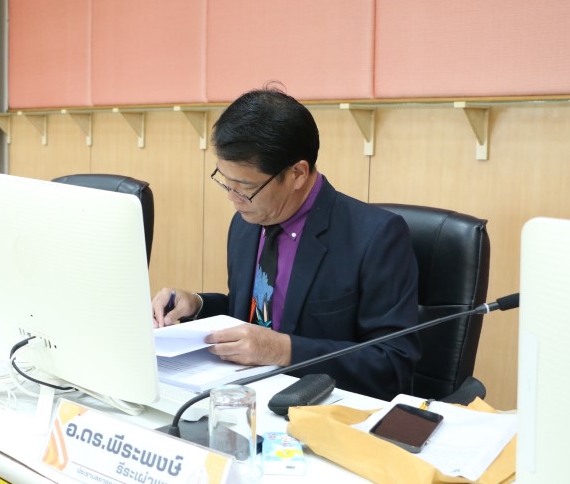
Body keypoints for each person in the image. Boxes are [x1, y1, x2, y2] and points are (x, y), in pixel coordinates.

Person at [151, 86, 421, 400]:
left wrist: (285, 350)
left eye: (245, 187)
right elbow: (254, 314)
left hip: (321, 408)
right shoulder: (246, 223)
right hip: (245, 398)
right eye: (226, 182)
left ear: (297, 174)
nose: (233, 198)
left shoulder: (375, 236)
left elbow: (392, 363)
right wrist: (197, 304)